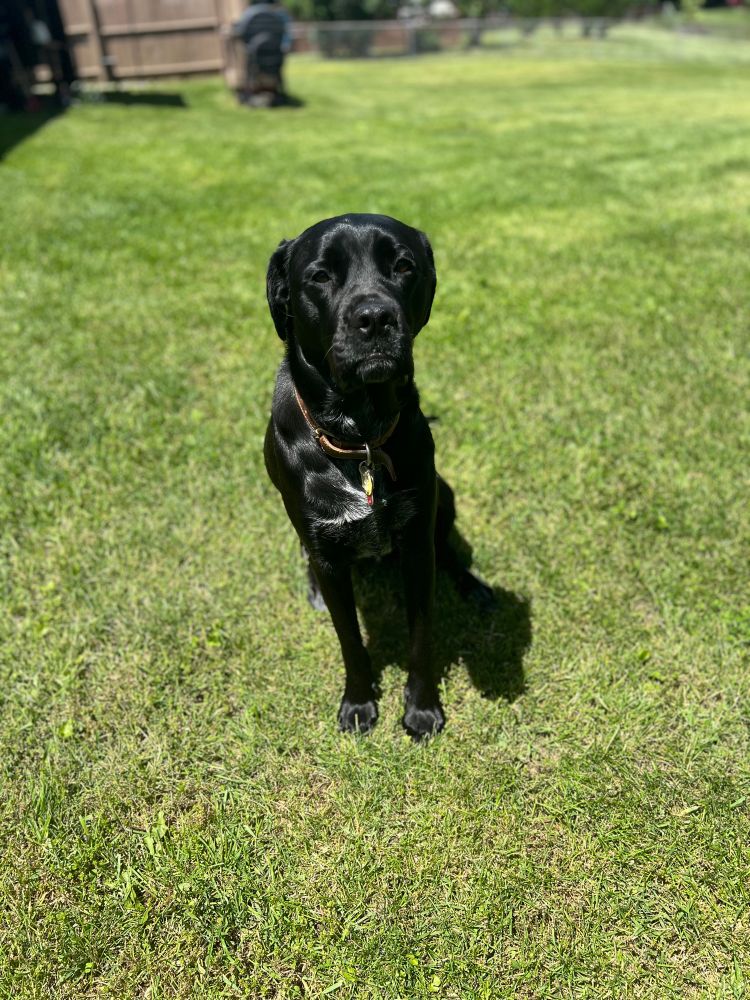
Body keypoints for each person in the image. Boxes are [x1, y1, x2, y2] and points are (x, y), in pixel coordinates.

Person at [231, 0, 291, 107]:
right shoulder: (277, 14)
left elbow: (240, 32)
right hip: (274, 53)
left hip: (255, 55)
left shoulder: (249, 13)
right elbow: (284, 32)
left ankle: (250, 94)